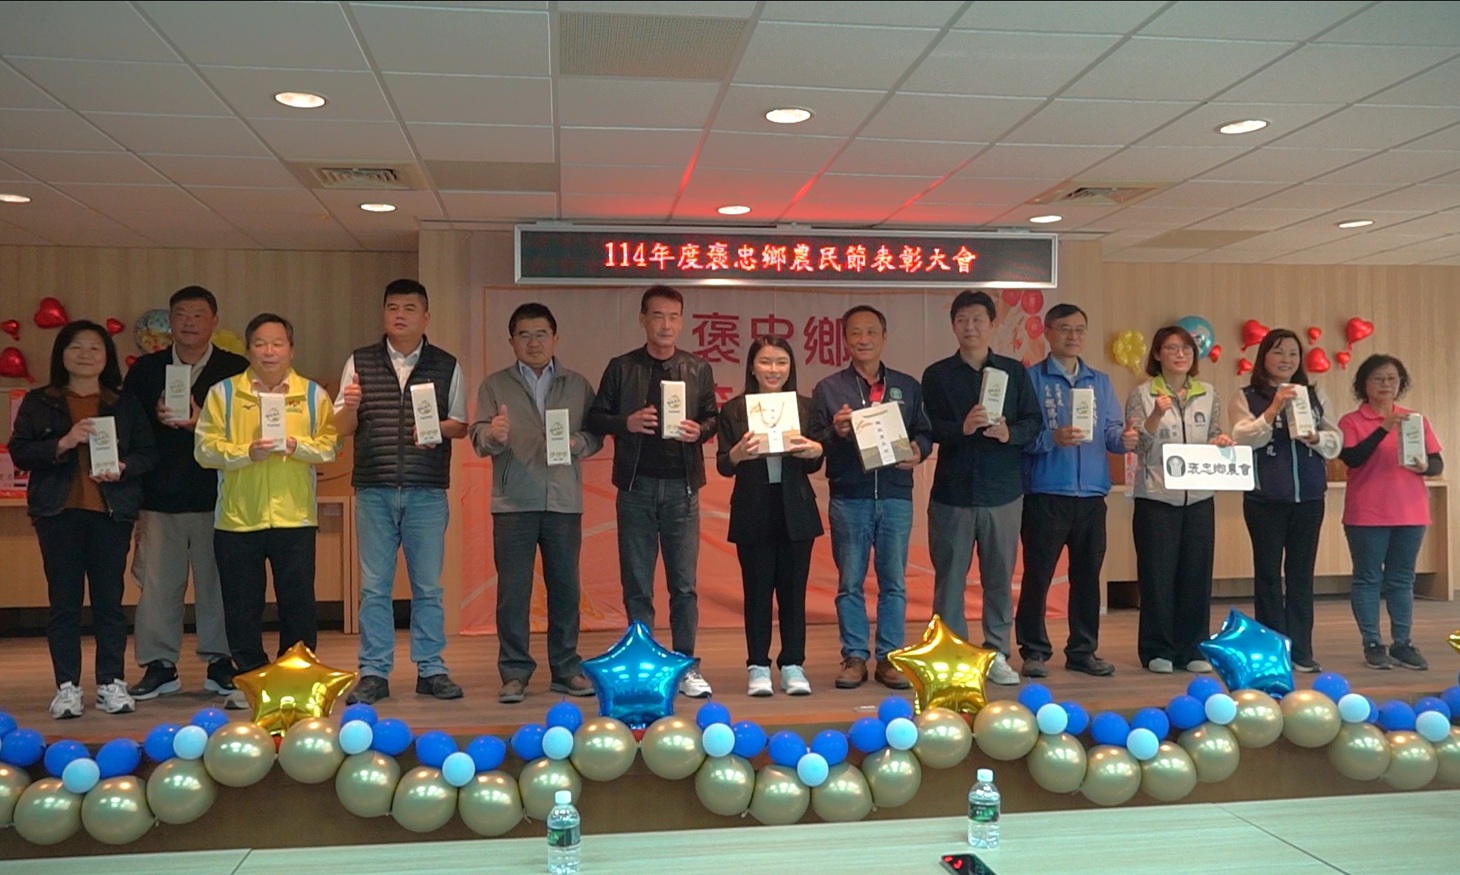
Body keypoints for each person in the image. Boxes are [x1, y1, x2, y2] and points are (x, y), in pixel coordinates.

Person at [10, 321, 157, 719]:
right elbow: (20, 451)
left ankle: (111, 683)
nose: (86, 355)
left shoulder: (123, 403)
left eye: (95, 348)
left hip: (111, 513)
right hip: (57, 513)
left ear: (107, 357)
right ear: (62, 354)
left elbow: (148, 454)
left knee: (109, 602)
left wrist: (123, 467)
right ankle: (67, 688)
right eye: (76, 347)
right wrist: (64, 442)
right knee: (64, 604)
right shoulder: (40, 401)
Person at [334, 279, 468, 705]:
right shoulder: (359, 362)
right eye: (393, 307)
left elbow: (461, 424)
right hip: (373, 487)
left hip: (426, 489)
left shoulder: (447, 364)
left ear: (425, 317)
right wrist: (350, 405)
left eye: (410, 308)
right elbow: (342, 427)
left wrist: (437, 429)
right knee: (374, 588)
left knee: (428, 587)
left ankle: (431, 669)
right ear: (383, 314)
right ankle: (374, 672)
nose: (400, 315)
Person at [195, 313, 338, 701]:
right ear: (248, 349)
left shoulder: (312, 394)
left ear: (291, 349)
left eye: (277, 343)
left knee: (298, 606)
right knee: (242, 607)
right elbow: (204, 450)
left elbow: (330, 446)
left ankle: (296, 682)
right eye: (260, 343)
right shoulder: (224, 394)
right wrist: (246, 453)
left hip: (295, 517)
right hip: (238, 520)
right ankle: (251, 681)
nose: (269, 351)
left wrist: (296, 447)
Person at [587, 285, 718, 698]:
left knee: (684, 585)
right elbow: (596, 417)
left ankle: (685, 665)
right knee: (637, 583)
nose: (666, 324)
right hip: (636, 486)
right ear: (643, 319)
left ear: (681, 321)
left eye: (673, 316)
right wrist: (625, 423)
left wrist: (700, 431)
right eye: (658, 315)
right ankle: (642, 663)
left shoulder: (697, 368)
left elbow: (713, 417)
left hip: (682, 487)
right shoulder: (622, 367)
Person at [121, 286, 249, 702]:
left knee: (219, 585)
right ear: (170, 321)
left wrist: (200, 423)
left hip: (220, 496)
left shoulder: (236, 369)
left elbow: (247, 432)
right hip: (159, 497)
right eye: (180, 314)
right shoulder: (146, 369)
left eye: (198, 314)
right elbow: (127, 428)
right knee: (158, 586)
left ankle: (220, 663)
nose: (189, 322)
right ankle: (159, 665)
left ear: (214, 321)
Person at [471, 302, 601, 704]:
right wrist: (492, 435)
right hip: (513, 502)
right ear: (511, 341)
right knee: (513, 592)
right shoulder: (495, 385)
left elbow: (596, 434)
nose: (533, 342)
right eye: (524, 335)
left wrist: (579, 443)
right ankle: (514, 673)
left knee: (566, 589)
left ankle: (565, 668)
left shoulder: (577, 384)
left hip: (563, 500)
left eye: (541, 333)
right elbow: (477, 437)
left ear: (555, 338)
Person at [921, 290, 1043, 687]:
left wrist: (1009, 433)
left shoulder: (1014, 372)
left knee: (999, 579)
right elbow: (927, 428)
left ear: (993, 324)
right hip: (952, 494)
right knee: (950, 579)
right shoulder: (937, 375)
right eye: (962, 320)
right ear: (953, 326)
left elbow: (1033, 422)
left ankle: (997, 653)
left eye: (977, 320)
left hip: (1002, 493)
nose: (970, 327)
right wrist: (962, 427)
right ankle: (952, 656)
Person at [807, 305, 930, 690]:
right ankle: (855, 656)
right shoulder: (829, 389)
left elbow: (924, 432)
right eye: (856, 333)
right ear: (845, 340)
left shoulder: (907, 386)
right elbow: (815, 445)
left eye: (871, 332)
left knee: (894, 582)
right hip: (850, 497)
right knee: (850, 583)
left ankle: (890, 657)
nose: (864, 339)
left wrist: (919, 451)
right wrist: (836, 431)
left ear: (884, 337)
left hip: (895, 496)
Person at [1016, 303, 1125, 679]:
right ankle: (1033, 650)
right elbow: (1019, 435)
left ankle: (1083, 649)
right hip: (1046, 492)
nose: (1073, 336)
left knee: (1087, 577)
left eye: (1079, 329)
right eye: (1064, 329)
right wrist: (1052, 438)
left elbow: (1112, 434)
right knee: (1038, 575)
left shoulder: (1101, 381)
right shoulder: (1031, 379)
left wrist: (1127, 439)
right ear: (1047, 332)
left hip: (1092, 494)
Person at [1230, 329, 1342, 673]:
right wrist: (1274, 408)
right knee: (1267, 575)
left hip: (1309, 498)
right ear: (1264, 357)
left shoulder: (1315, 394)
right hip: (1264, 499)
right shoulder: (1247, 395)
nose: (1286, 360)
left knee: (1301, 575)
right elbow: (1242, 437)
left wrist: (1315, 437)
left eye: (1293, 354)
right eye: (1278, 352)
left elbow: (1335, 442)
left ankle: (1301, 651)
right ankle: (1273, 651)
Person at [717, 337, 824, 696]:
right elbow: (724, 465)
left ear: (791, 367)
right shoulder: (735, 410)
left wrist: (816, 449)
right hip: (753, 508)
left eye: (781, 362)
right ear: (752, 367)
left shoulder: (805, 407)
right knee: (757, 592)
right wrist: (737, 454)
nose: (773, 369)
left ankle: (793, 664)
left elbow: (816, 461)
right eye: (765, 362)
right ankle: (758, 666)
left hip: (796, 508)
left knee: (793, 593)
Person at [1124, 326, 1233, 674]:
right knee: (1157, 576)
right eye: (1171, 348)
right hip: (1156, 497)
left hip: (1199, 497)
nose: (1180, 354)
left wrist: (1221, 442)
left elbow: (1214, 433)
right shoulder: (1142, 393)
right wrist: (1156, 414)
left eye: (1186, 348)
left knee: (1196, 575)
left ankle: (1194, 648)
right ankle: (1157, 649)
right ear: (1157, 354)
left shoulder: (1208, 393)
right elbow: (1138, 446)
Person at [1338, 354, 1443, 671]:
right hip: (1367, 512)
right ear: (1364, 384)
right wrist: (1383, 428)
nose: (1385, 384)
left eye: (1392, 379)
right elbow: (1353, 458)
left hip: (1411, 511)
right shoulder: (1351, 421)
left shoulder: (1415, 420)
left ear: (1401, 383)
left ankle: (1402, 643)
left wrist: (1425, 466)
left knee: (1402, 580)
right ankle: (1372, 643)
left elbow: (1436, 462)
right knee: (1368, 578)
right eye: (1378, 379)